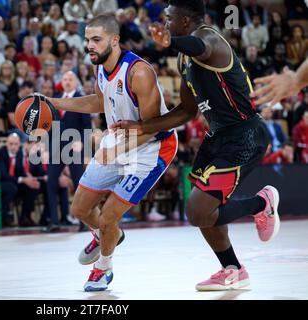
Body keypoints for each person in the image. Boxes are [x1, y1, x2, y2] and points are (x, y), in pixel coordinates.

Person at [110, 0, 279, 291]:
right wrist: (143, 126)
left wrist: (171, 42)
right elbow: (187, 112)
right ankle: (233, 269)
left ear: (185, 21)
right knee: (205, 209)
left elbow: (201, 47)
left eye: (168, 18)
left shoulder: (210, 39)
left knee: (198, 211)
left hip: (245, 134)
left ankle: (261, 203)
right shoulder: (183, 59)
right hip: (218, 136)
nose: (164, 23)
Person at [44, 14, 178, 291]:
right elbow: (99, 101)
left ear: (114, 40)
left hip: (151, 147)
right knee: (80, 207)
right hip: (118, 139)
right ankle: (107, 236)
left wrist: (117, 148)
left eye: (96, 40)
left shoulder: (139, 73)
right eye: (87, 41)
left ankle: (103, 268)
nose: (89, 46)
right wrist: (55, 102)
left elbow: (152, 128)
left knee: (108, 217)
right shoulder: (100, 67)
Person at [43, 71, 92, 233]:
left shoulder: (80, 99)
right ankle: (55, 222)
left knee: (80, 185)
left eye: (70, 79)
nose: (67, 81)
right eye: (64, 79)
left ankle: (84, 221)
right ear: (61, 82)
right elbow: (48, 125)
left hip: (74, 148)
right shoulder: (56, 98)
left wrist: (81, 143)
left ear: (76, 82)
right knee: (51, 183)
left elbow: (87, 126)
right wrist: (45, 147)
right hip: (56, 149)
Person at [0, 133, 44, 227]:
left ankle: (25, 217)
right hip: (0, 182)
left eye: (16, 144)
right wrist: (23, 179)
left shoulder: (19, 154)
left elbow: (20, 171)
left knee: (33, 186)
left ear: (19, 145)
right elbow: (3, 175)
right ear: (6, 144)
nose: (13, 147)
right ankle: (3, 217)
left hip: (15, 182)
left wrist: (29, 179)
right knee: (11, 188)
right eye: (11, 144)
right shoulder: (0, 154)